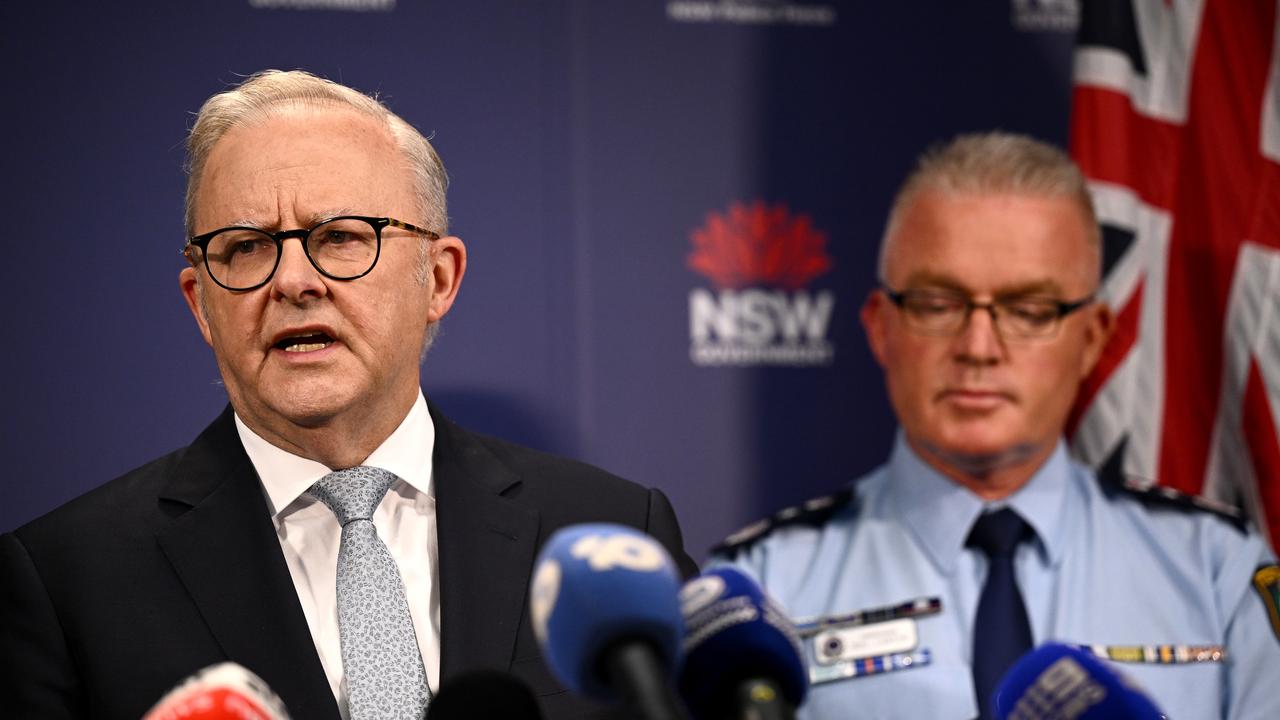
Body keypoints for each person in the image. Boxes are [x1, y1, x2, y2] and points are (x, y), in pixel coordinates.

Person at [0, 69, 696, 720]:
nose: (293, 281)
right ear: (200, 304)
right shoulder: (67, 583)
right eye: (245, 247)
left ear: (439, 278)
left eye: (339, 237)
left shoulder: (614, 532)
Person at [713, 132, 1280, 719]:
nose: (979, 347)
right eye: (937, 304)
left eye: (1030, 311)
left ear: (1093, 338)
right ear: (881, 327)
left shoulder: (1218, 571)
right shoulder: (762, 589)